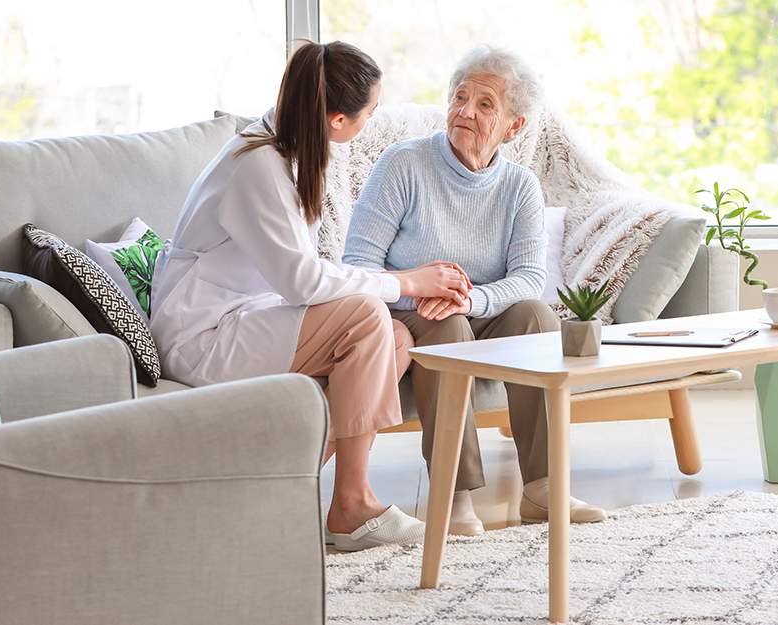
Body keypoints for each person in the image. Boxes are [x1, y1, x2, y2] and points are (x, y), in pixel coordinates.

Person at [150, 40, 471, 552]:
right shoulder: (257, 166)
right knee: (368, 318)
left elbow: (303, 275)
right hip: (202, 337)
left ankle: (272, 489)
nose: (373, 119)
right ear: (338, 120)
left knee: (395, 339)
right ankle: (352, 506)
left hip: (244, 318)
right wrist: (407, 282)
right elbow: (302, 282)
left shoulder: (285, 151)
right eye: (371, 111)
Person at [343, 45, 607, 536]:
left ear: (513, 126)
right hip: (407, 310)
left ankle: (543, 486)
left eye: (485, 104)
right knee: (448, 326)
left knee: (536, 316)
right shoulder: (403, 165)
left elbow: (528, 278)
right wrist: (422, 293)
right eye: (460, 97)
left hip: (477, 308)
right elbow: (358, 266)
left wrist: (470, 299)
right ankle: (455, 494)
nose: (465, 111)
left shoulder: (520, 187)